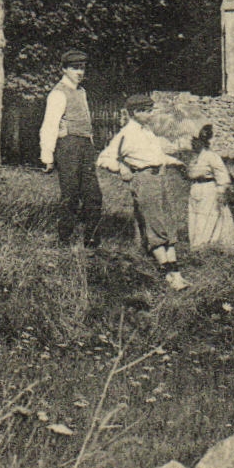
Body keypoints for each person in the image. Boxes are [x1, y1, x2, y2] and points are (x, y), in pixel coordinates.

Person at [98, 93, 189, 289]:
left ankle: (176, 272)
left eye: (150, 110)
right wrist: (121, 167)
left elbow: (156, 156)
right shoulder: (125, 134)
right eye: (146, 111)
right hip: (144, 179)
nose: (150, 114)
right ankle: (169, 275)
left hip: (161, 177)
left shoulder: (148, 132)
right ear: (135, 112)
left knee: (168, 222)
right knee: (154, 223)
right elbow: (105, 158)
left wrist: (175, 162)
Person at [39, 49, 101, 250]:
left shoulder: (82, 92)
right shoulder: (58, 93)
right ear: (64, 69)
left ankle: (91, 242)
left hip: (84, 146)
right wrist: (47, 156)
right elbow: (49, 125)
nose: (79, 72)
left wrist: (90, 146)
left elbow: (86, 122)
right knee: (70, 195)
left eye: (82, 68)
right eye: (75, 68)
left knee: (93, 195)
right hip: (68, 146)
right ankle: (65, 240)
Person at [185, 125, 234, 252]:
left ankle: (203, 246)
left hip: (208, 189)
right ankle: (196, 244)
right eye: (192, 142)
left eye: (196, 141)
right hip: (195, 188)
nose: (193, 144)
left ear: (203, 142)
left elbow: (222, 174)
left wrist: (221, 192)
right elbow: (190, 173)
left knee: (206, 218)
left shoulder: (211, 156)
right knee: (195, 217)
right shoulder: (194, 158)